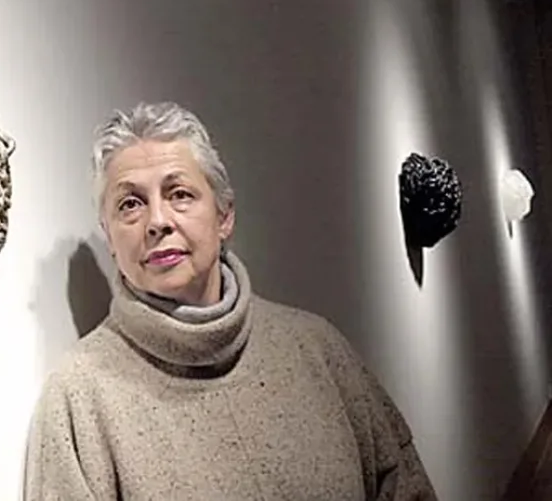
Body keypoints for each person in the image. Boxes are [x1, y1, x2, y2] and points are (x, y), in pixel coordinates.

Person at [23, 101, 437, 500]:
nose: (158, 221)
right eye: (130, 204)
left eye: (180, 194)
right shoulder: (78, 397)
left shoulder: (316, 349)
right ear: (110, 237)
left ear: (224, 216)